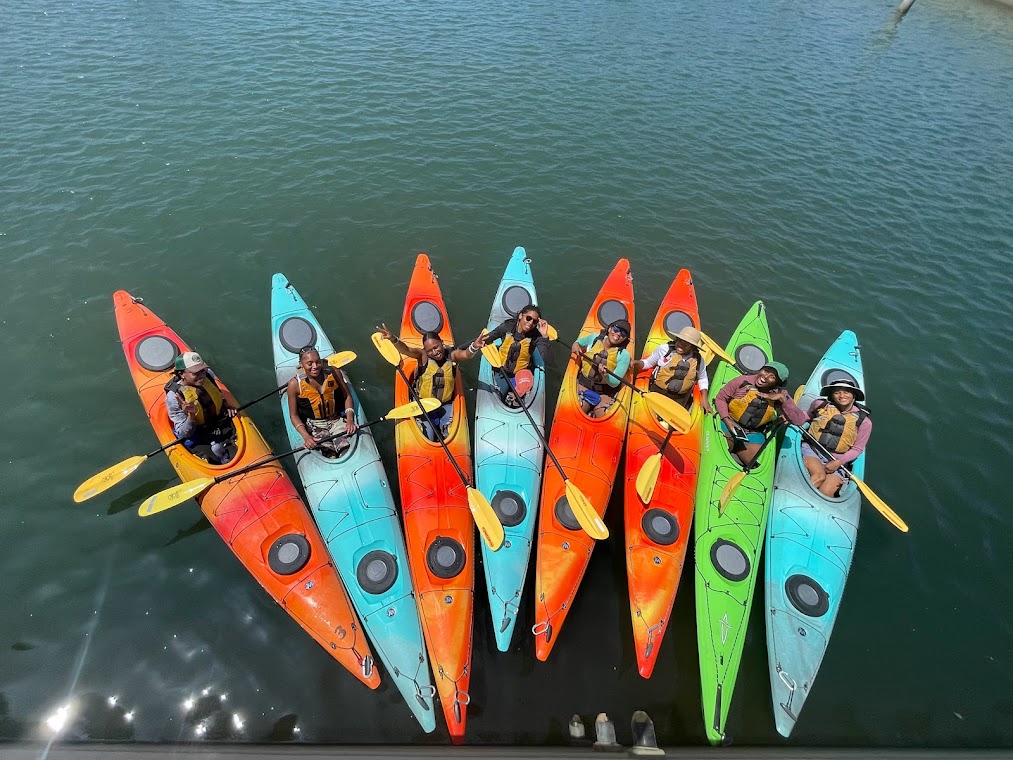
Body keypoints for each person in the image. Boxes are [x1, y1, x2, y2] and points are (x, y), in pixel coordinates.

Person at [376, 323, 485, 442]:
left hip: (445, 404)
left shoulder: (452, 356)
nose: (435, 352)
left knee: (448, 434)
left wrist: (474, 346)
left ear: (442, 343)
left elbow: (465, 355)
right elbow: (406, 350)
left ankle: (444, 429)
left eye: (436, 347)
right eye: (430, 351)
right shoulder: (422, 356)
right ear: (425, 351)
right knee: (427, 437)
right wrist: (393, 339)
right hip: (423, 404)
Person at [714, 361, 807, 466]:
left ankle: (739, 453)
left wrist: (782, 398)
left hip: (753, 433)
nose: (765, 376)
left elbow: (799, 420)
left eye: (772, 377)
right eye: (765, 371)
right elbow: (720, 398)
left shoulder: (780, 394)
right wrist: (726, 420)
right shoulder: (741, 381)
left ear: (777, 383)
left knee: (754, 464)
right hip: (729, 423)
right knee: (723, 447)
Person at [801, 378, 872, 497]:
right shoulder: (820, 405)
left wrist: (838, 462)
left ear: (854, 396)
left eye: (846, 392)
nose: (842, 395)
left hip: (838, 460)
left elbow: (857, 449)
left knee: (826, 492)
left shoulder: (865, 422)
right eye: (837, 392)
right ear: (831, 395)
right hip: (812, 450)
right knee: (819, 476)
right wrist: (790, 414)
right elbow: (806, 416)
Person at [164, 351, 238, 465]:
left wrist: (226, 405)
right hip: (197, 433)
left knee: (234, 450)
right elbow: (184, 433)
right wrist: (191, 416)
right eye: (195, 373)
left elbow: (218, 394)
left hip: (219, 422)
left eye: (202, 370)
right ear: (181, 374)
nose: (202, 376)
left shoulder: (209, 375)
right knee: (213, 460)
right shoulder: (174, 398)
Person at [286, 346, 358, 459]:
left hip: (336, 419)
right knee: (330, 455)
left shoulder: (334, 372)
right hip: (315, 425)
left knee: (345, 450)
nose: (315, 367)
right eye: (309, 364)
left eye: (318, 362)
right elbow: (294, 415)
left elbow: (347, 396)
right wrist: (306, 436)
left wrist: (349, 420)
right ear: (301, 364)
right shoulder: (294, 385)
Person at [632, 325, 714, 415]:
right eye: (680, 340)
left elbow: (702, 378)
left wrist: (704, 399)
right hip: (657, 391)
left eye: (686, 343)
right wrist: (636, 363)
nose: (681, 345)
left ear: (692, 347)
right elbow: (648, 363)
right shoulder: (664, 349)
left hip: (680, 398)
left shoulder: (698, 360)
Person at [482, 304, 552, 407]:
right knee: (497, 397)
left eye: (535, 321)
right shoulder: (507, 327)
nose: (530, 323)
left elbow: (548, 359)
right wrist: (462, 349)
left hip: (521, 373)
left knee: (521, 402)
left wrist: (544, 336)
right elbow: (484, 340)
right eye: (528, 318)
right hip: (501, 371)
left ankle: (514, 399)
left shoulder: (536, 336)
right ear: (520, 316)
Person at [572, 319, 633, 418]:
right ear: (609, 329)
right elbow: (578, 342)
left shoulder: (623, 355)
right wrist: (575, 345)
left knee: (602, 415)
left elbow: (615, 383)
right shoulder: (594, 338)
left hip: (605, 392)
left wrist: (606, 375)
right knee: (579, 409)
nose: (618, 334)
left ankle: (594, 412)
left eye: (623, 333)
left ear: (625, 338)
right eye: (616, 329)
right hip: (585, 384)